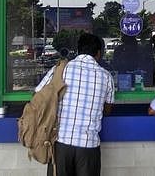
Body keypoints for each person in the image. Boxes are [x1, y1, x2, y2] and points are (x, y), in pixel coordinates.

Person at [35, 33, 115, 176]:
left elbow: (38, 96)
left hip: (61, 143)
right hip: (88, 146)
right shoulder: (106, 76)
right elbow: (107, 110)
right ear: (98, 53)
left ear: (78, 51)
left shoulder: (60, 69)